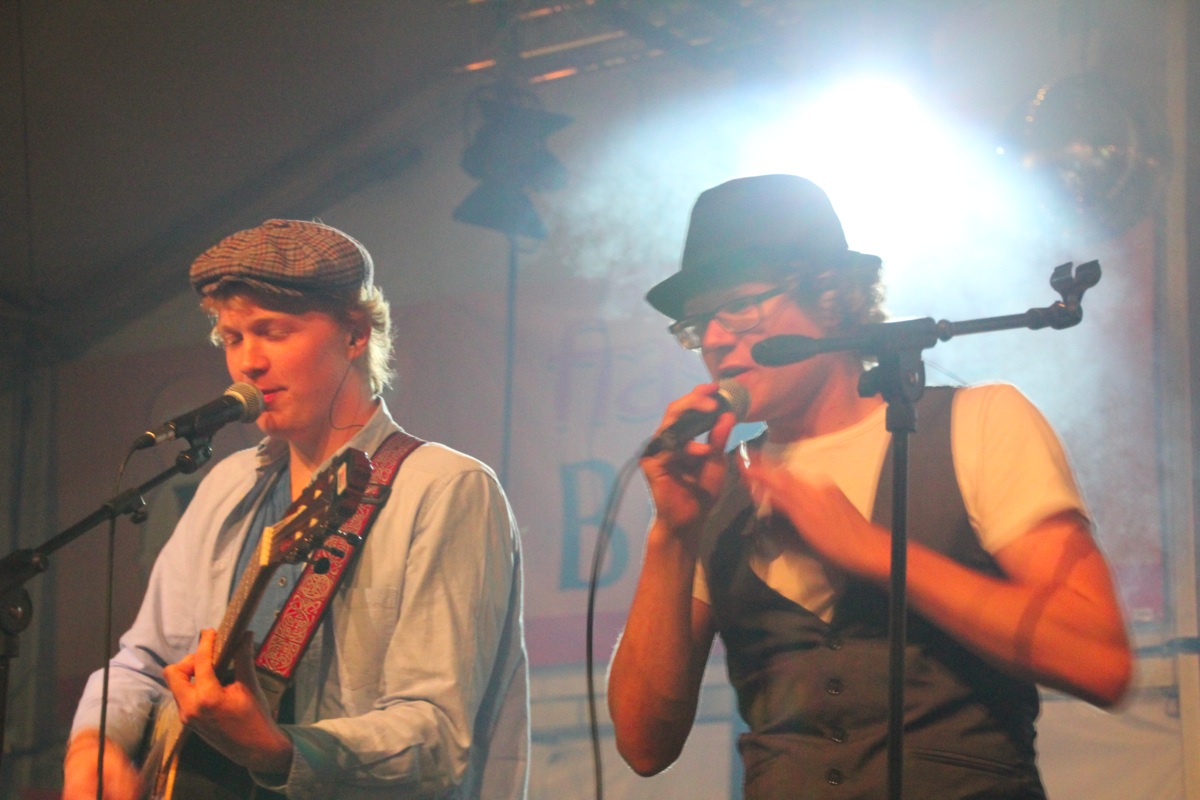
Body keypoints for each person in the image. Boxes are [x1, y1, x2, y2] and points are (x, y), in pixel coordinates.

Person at [607, 175, 1132, 799]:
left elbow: (1099, 661)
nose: (716, 339)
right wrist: (672, 534)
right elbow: (643, 745)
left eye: (741, 307)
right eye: (698, 324)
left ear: (831, 299)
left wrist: (874, 552)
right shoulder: (714, 491)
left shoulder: (978, 423)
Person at [63, 219, 529, 799]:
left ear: (355, 333)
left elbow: (437, 737)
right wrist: (95, 745)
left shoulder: (445, 488)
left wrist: (277, 751)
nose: (248, 363)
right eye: (233, 338)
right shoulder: (226, 485)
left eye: (273, 332)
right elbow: (146, 658)